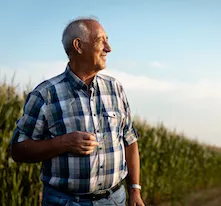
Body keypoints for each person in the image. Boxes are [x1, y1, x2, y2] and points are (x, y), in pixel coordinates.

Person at [10, 18, 145, 206]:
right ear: (78, 46)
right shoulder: (45, 94)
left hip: (115, 199)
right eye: (101, 41)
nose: (109, 48)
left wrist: (135, 190)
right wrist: (63, 143)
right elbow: (17, 150)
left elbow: (129, 140)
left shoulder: (116, 88)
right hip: (65, 201)